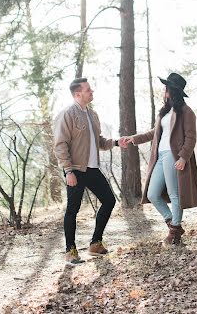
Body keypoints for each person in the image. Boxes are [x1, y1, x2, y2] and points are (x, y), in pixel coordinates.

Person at [122, 72, 197, 245]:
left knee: (175, 195)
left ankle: (174, 233)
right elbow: (154, 133)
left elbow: (191, 137)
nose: (163, 90)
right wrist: (134, 138)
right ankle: (174, 224)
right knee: (152, 194)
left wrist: (183, 157)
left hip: (174, 156)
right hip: (160, 155)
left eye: (165, 87)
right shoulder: (165, 111)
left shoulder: (186, 112)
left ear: (172, 90)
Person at [53, 77, 122, 266]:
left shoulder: (92, 115)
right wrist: (68, 171)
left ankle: (95, 244)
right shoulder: (67, 114)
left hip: (92, 169)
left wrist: (116, 143)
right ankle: (70, 251)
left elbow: (99, 141)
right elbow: (60, 145)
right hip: (75, 169)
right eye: (88, 90)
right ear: (78, 94)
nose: (92, 92)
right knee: (73, 210)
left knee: (109, 200)